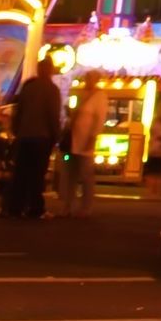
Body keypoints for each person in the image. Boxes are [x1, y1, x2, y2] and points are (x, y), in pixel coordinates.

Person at [3, 59, 61, 219]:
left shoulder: (28, 88)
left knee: (21, 173)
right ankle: (35, 208)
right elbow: (53, 115)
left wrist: (17, 131)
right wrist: (56, 136)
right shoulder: (51, 89)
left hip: (24, 135)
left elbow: (18, 111)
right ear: (50, 70)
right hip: (42, 137)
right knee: (37, 174)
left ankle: (15, 207)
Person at [55, 71, 108, 218]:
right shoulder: (81, 94)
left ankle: (86, 207)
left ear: (96, 80)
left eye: (90, 78)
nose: (87, 80)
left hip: (85, 141)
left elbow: (99, 120)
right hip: (73, 139)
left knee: (86, 175)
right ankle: (67, 206)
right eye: (87, 78)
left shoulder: (100, 97)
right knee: (69, 174)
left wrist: (92, 138)